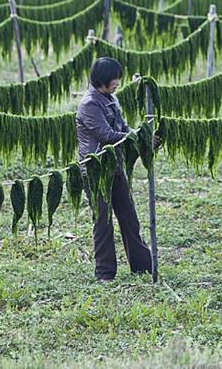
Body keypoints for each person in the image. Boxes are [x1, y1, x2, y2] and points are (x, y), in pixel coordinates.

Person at [76, 58, 152, 282]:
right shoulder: (89, 104)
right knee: (103, 221)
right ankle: (105, 274)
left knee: (129, 217)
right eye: (115, 78)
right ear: (103, 79)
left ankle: (143, 268)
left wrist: (142, 134)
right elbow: (107, 135)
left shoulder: (111, 99)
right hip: (96, 170)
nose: (118, 82)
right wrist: (136, 137)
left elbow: (122, 128)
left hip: (116, 167)